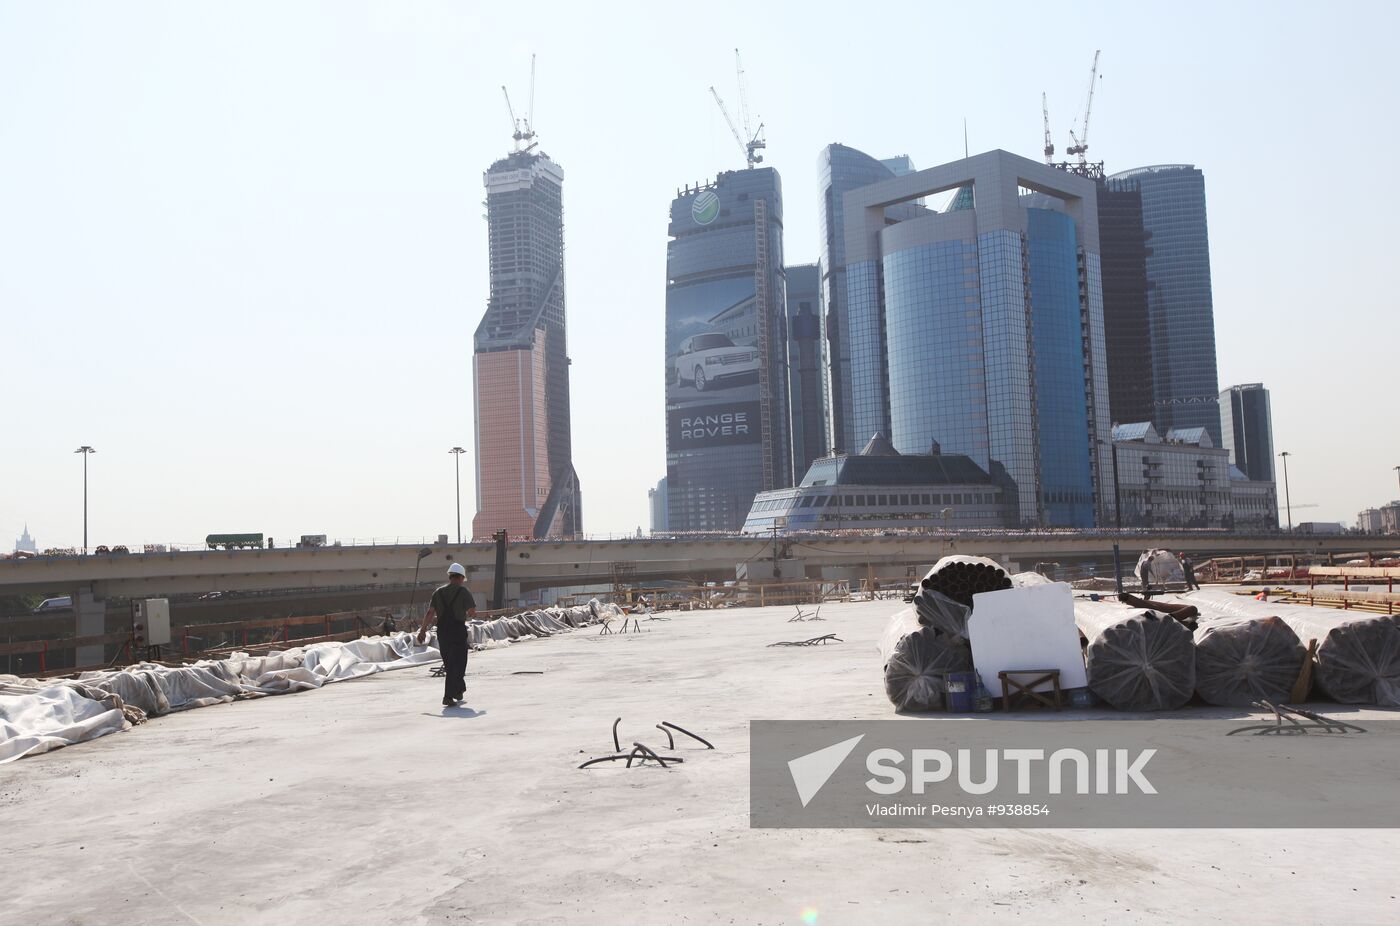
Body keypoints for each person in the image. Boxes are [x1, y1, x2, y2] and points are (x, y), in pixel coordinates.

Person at [417, 563, 477, 706]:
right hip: (457, 630)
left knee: (450, 664)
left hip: (443, 632)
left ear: (450, 576)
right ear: (461, 577)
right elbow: (472, 612)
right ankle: (449, 695)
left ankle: (458, 690)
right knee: (460, 662)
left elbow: (430, 612)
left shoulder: (438, 593)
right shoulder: (464, 592)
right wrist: (466, 612)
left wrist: (423, 630)